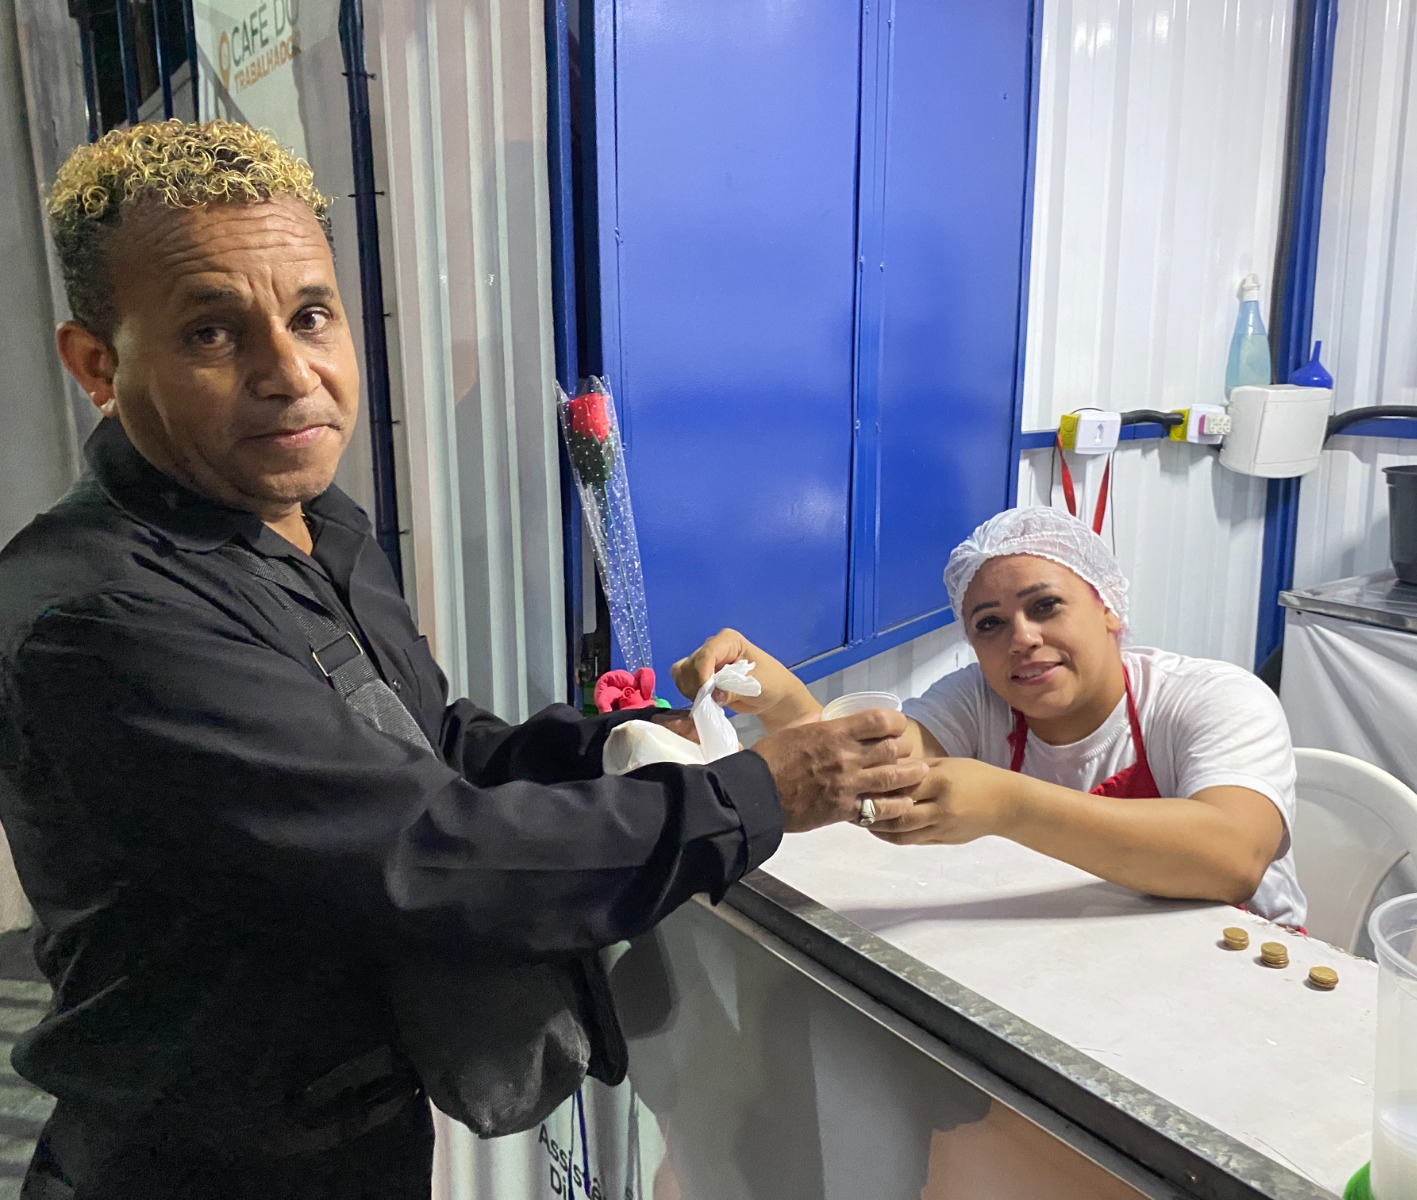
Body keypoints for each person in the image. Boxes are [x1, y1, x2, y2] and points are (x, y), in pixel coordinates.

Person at [0, 119, 925, 1199]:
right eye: (213, 333)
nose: (290, 374)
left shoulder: (308, 522)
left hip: (350, 1137)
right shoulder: (102, 616)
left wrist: (620, 745)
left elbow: (424, 741)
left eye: (311, 316)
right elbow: (423, 854)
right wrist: (758, 794)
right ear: (98, 364)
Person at [675, 506, 1307, 927]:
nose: (1022, 639)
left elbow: (1233, 859)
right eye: (990, 625)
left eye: (1046, 606)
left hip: (1245, 969)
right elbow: (870, 772)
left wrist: (1008, 805)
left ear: (1108, 607)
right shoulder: (979, 701)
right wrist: (782, 700)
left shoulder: (1212, 699)